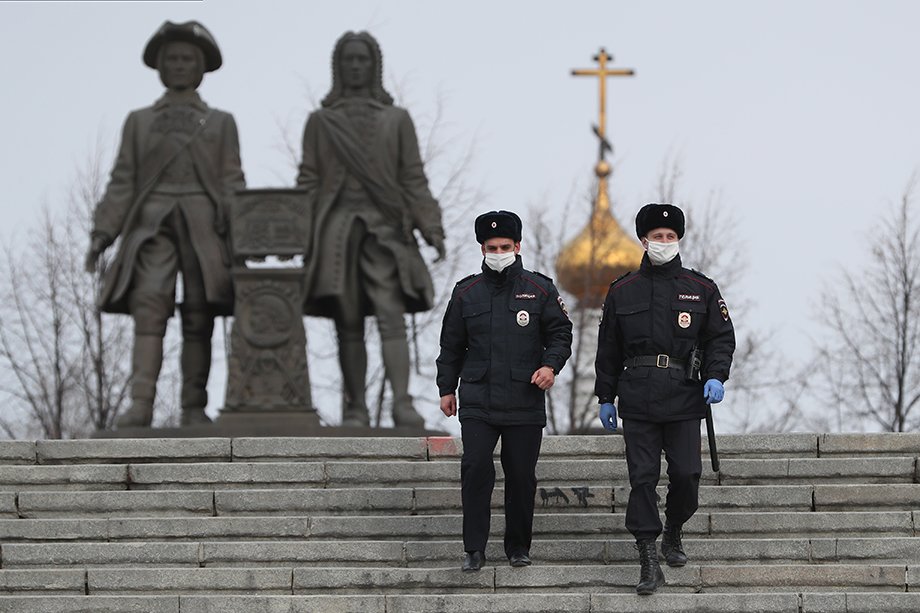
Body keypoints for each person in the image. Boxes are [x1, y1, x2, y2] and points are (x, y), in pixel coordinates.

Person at [85, 21, 245, 428]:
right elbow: (122, 181)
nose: (178, 65)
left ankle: (194, 406)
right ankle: (141, 403)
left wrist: (242, 233)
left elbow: (232, 183)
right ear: (159, 66)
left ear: (200, 67)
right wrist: (102, 232)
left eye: (186, 59)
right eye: (171, 58)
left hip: (204, 228)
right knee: (149, 309)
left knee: (199, 315)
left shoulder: (220, 122)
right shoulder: (139, 121)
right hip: (151, 225)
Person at [296, 31, 445, 428]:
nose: (356, 65)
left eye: (363, 59)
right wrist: (295, 232)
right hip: (336, 232)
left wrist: (430, 225)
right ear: (338, 67)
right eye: (349, 59)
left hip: (385, 232)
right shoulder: (320, 122)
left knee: (390, 314)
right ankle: (355, 408)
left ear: (374, 65)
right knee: (347, 321)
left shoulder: (396, 120)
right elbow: (307, 182)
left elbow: (413, 178)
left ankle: (402, 403)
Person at [595, 203, 735, 594]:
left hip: (685, 395)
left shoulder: (701, 289)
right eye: (657, 237)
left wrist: (716, 376)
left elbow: (720, 338)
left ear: (679, 240)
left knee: (687, 474)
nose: (664, 243)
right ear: (644, 240)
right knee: (642, 479)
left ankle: (673, 529)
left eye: (671, 237)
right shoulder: (622, 291)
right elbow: (607, 349)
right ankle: (647, 557)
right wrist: (605, 396)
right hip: (637, 395)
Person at [437, 210, 573, 571]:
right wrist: (446, 388)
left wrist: (550, 365)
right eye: (491, 246)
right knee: (476, 467)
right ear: (482, 248)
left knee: (521, 475)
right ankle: (474, 549)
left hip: (524, 398)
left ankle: (517, 547)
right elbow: (451, 346)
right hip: (478, 398)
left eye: (505, 246)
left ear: (517, 246)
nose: (498, 252)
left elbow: (560, 334)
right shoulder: (466, 292)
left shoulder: (540, 288)